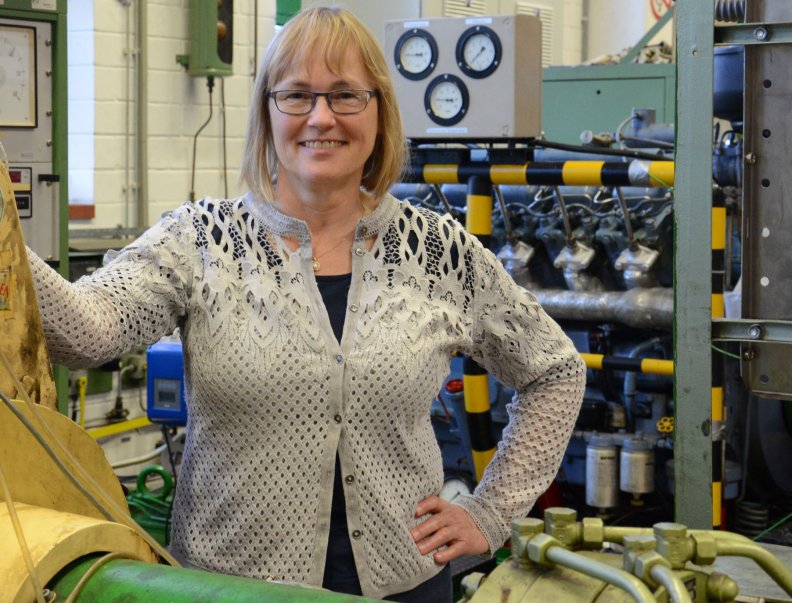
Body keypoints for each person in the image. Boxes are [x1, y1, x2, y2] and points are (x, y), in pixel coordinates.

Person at [28, 6, 585, 601]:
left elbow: (555, 371)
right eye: (296, 95)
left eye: (346, 95)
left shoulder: (438, 250)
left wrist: (492, 511)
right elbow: (83, 336)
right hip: (228, 589)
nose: (321, 117)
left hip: (404, 584)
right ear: (267, 113)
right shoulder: (199, 242)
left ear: (379, 113)